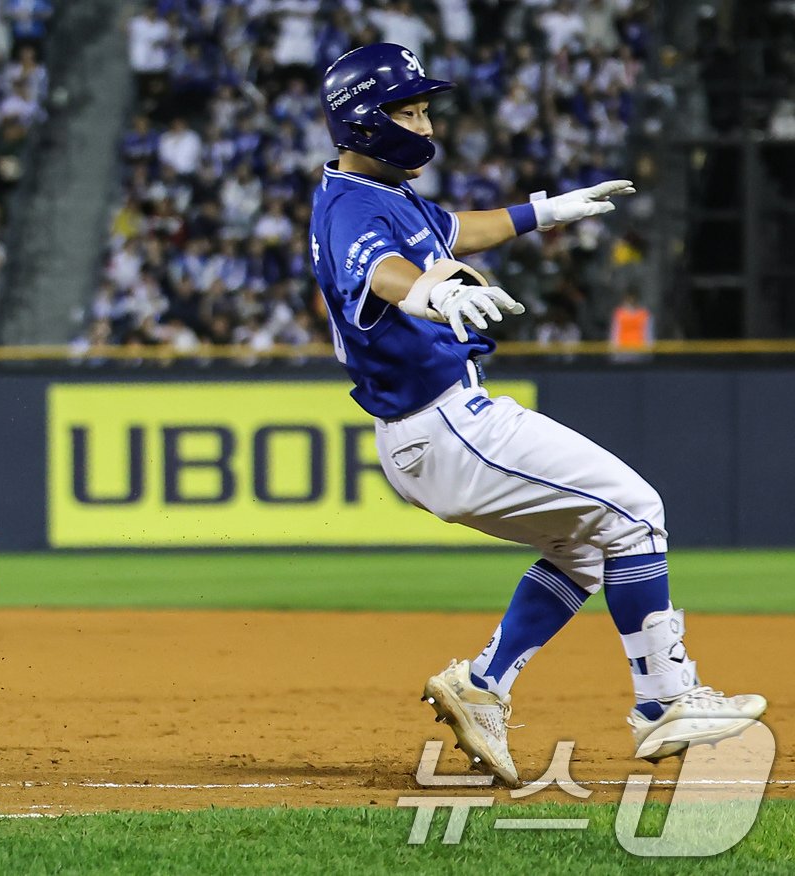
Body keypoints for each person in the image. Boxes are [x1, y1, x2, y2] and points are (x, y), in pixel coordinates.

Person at [310, 44, 765, 787]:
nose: (425, 123)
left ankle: (482, 685)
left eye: (425, 108)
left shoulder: (389, 195)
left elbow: (454, 233)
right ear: (365, 121)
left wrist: (544, 212)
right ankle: (666, 702)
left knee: (588, 547)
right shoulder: (353, 206)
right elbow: (382, 272)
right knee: (635, 511)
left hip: (435, 426)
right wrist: (431, 292)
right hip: (444, 423)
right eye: (410, 110)